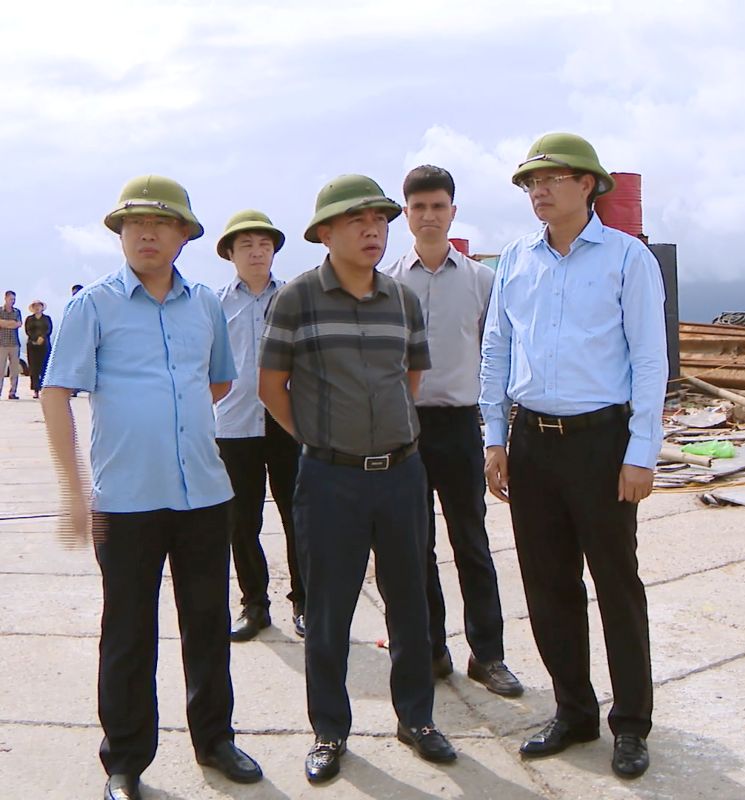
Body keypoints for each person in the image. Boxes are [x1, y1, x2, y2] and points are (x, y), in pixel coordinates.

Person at [40, 175, 263, 800]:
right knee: (129, 633)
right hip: (124, 501)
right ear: (118, 234)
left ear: (185, 235)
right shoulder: (95, 306)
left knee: (208, 625)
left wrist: (174, 418)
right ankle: (125, 761)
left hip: (204, 496)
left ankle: (215, 739)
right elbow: (56, 393)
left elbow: (217, 381)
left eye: (161, 223)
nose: (145, 232)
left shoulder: (205, 306)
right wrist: (74, 488)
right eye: (132, 223)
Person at [480, 132, 668, 779]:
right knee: (547, 582)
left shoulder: (625, 259)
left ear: (588, 185)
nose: (538, 190)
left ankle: (631, 724)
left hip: (601, 443)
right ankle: (573, 710)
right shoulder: (515, 260)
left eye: (552, 178)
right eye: (531, 182)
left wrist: (642, 451)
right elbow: (496, 351)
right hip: (532, 442)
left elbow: (649, 359)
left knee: (616, 584)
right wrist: (495, 437)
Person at [258, 174, 455, 784]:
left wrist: (384, 438)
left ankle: (416, 718)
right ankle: (329, 730)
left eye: (380, 221)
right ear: (324, 233)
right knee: (328, 610)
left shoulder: (403, 299)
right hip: (328, 479)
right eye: (356, 221)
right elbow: (271, 389)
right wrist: (323, 441)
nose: (373, 231)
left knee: (411, 604)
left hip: (400, 473)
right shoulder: (296, 299)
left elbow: (411, 381)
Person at [380, 165, 522, 697]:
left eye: (438, 206)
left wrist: (495, 438)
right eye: (419, 208)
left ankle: (488, 655)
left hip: (461, 425)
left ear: (453, 212)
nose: (429, 216)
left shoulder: (484, 282)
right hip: (406, 428)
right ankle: (430, 649)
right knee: (414, 549)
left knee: (472, 543)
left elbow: (498, 361)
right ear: (406, 214)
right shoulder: (388, 282)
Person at [214, 210, 306, 642]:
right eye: (246, 245)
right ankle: (254, 604)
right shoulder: (215, 304)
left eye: (264, 244)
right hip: (234, 424)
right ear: (230, 253)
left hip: (286, 422)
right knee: (241, 519)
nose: (256, 252)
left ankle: (305, 602)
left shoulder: (292, 298)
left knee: (297, 515)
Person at [24, 301, 52, 399]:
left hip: (44, 346)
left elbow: (48, 329)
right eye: (35, 306)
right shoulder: (29, 319)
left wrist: (42, 337)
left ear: (42, 307)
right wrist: (35, 339)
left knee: (44, 367)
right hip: (32, 346)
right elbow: (28, 330)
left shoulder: (46, 318)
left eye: (39, 306)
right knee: (34, 368)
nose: (37, 308)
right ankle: (35, 390)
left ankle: (44, 388)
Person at [0, 290, 21, 399]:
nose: (13, 301)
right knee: (0, 369)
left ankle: (12, 392)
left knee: (14, 370)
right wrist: (10, 324)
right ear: (6, 298)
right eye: (11, 299)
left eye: (14, 299)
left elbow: (18, 324)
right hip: (2, 344)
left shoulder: (17, 312)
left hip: (14, 344)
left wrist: (5, 323)